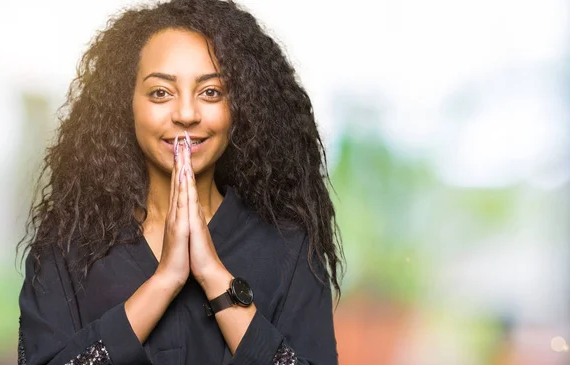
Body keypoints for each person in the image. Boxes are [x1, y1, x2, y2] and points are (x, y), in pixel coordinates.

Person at [17, 0, 344, 364]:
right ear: (126, 105)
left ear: (241, 107)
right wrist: (165, 281)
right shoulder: (66, 248)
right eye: (160, 92)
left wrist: (213, 275)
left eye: (211, 93)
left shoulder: (290, 247)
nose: (186, 114)